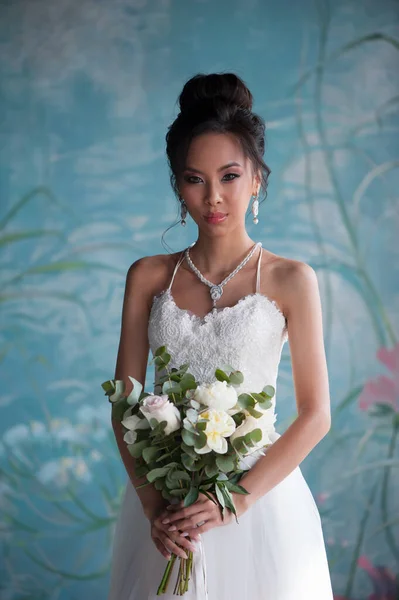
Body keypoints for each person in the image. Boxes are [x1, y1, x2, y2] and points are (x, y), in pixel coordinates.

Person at [108, 72, 334, 599]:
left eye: (229, 176)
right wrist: (151, 507)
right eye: (194, 179)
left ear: (256, 178)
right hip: (168, 510)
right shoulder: (147, 276)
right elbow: (125, 403)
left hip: (261, 504)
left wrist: (234, 499)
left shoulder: (292, 279)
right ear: (177, 183)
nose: (213, 197)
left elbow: (316, 414)